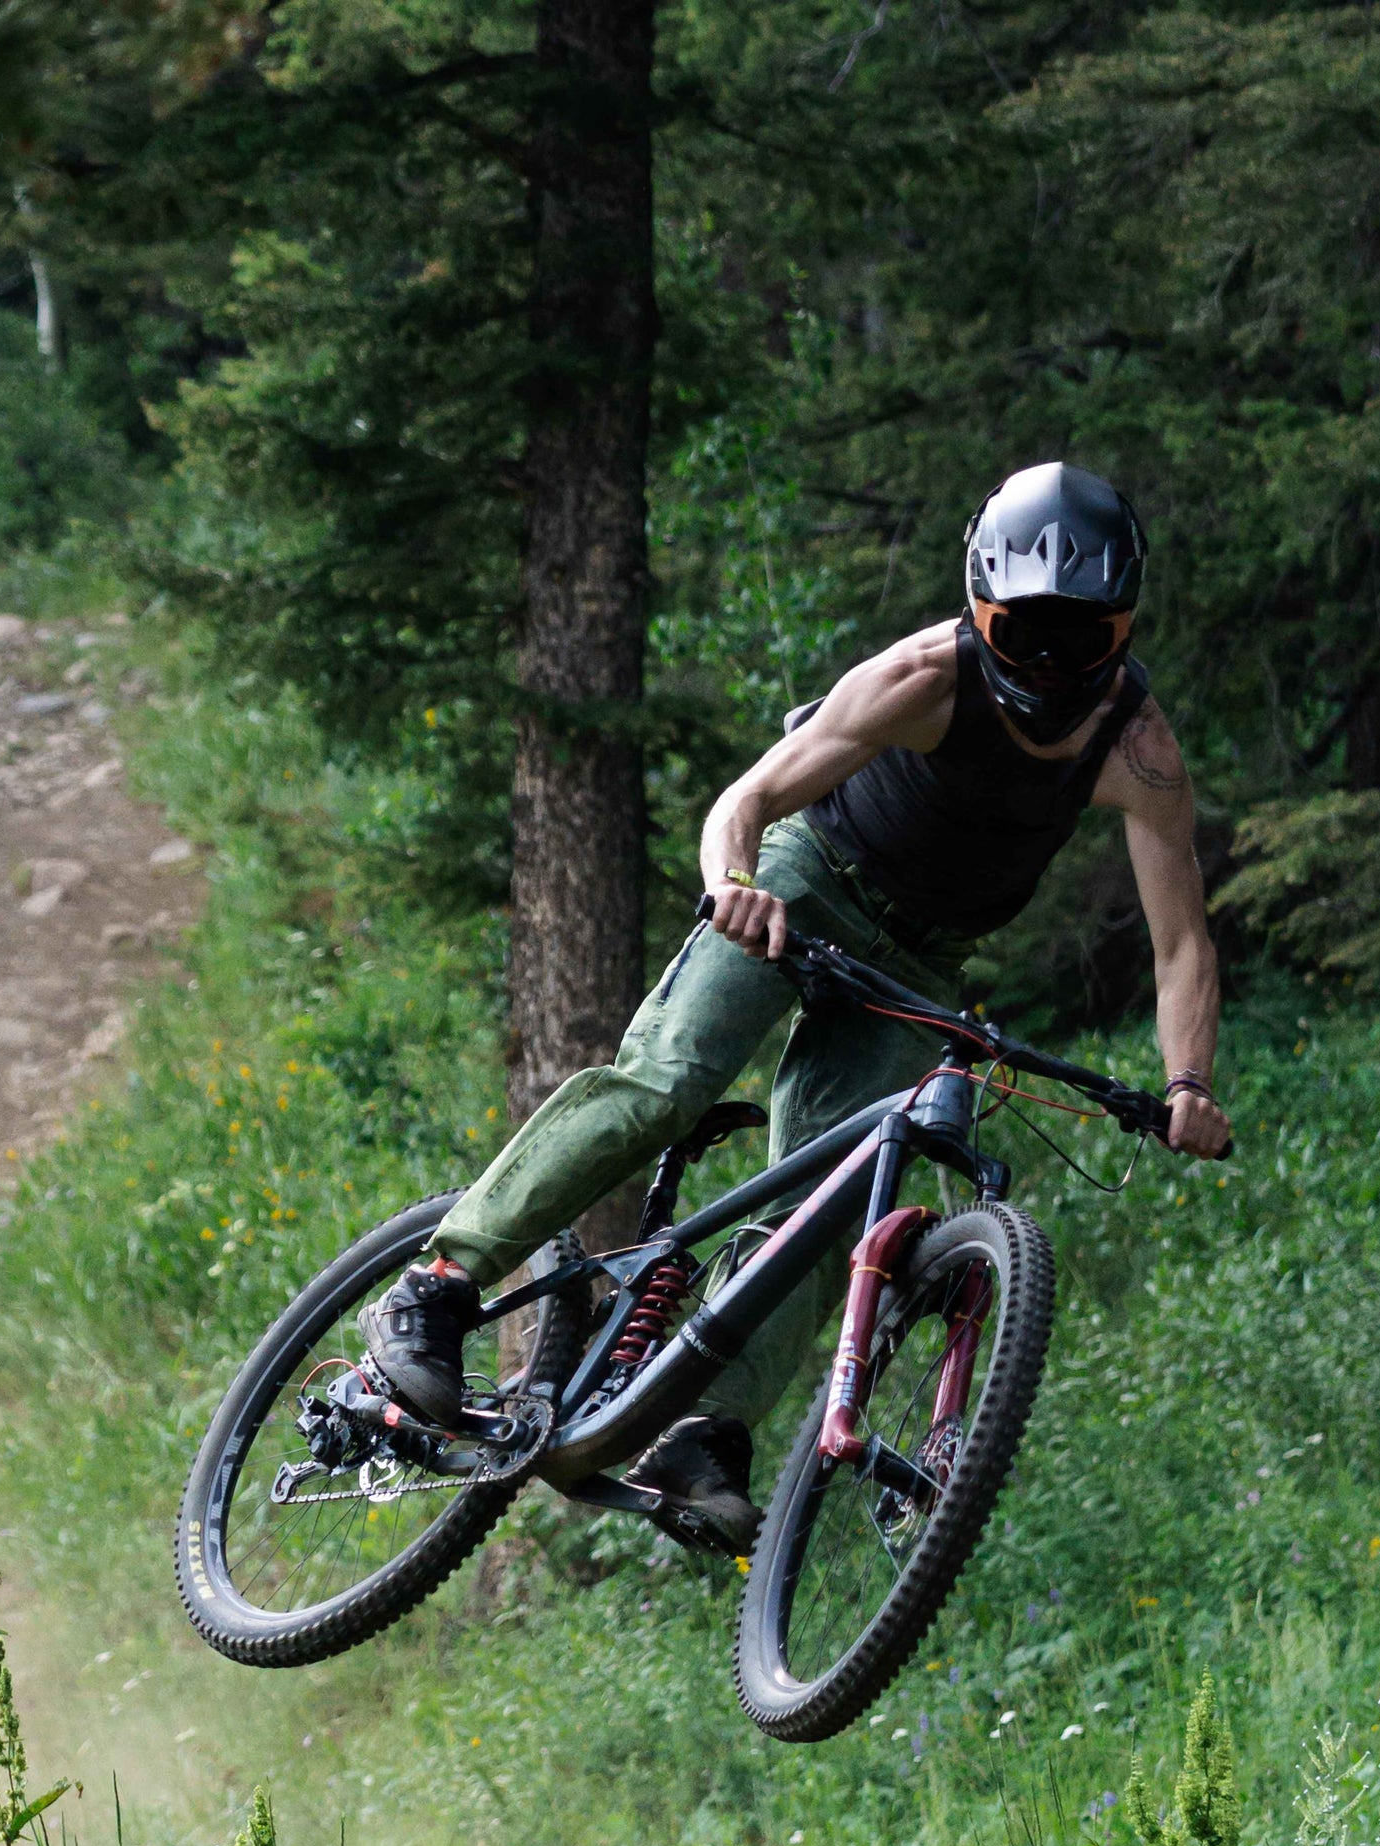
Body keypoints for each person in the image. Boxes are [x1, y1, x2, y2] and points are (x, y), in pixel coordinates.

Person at [359, 461, 1233, 1551]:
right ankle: (437, 1285)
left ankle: (702, 1430)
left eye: (1082, 638)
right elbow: (754, 795)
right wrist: (737, 886)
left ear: (1124, 626)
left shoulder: (1137, 749)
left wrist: (1187, 1083)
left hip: (920, 967)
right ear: (979, 609)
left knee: (831, 1212)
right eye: (1024, 633)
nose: (1051, 663)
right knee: (666, 1083)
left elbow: (1182, 941)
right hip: (808, 884)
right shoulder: (925, 678)